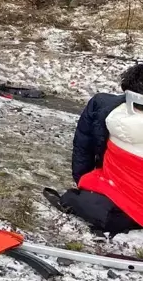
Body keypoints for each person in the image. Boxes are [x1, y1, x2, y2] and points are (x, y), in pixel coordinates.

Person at [43, 65, 143, 235]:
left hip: (110, 186)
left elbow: (83, 147)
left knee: (91, 205)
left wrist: (82, 180)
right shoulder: (104, 107)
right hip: (112, 184)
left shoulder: (103, 106)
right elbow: (84, 146)